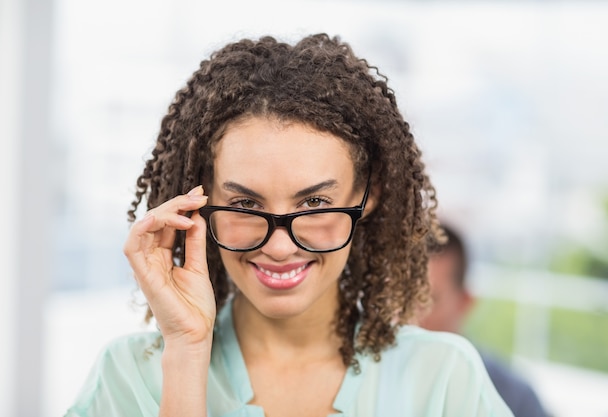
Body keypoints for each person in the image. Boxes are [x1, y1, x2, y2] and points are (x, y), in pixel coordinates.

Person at [64, 33, 513, 417]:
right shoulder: (127, 376)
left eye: (315, 202)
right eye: (244, 203)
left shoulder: (443, 379)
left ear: (366, 197)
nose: (279, 248)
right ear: (199, 203)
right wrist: (185, 351)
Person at [414, 223, 548, 417]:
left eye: (428, 300)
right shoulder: (372, 377)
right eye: (400, 298)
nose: (410, 317)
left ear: (465, 302)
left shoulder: (512, 397)